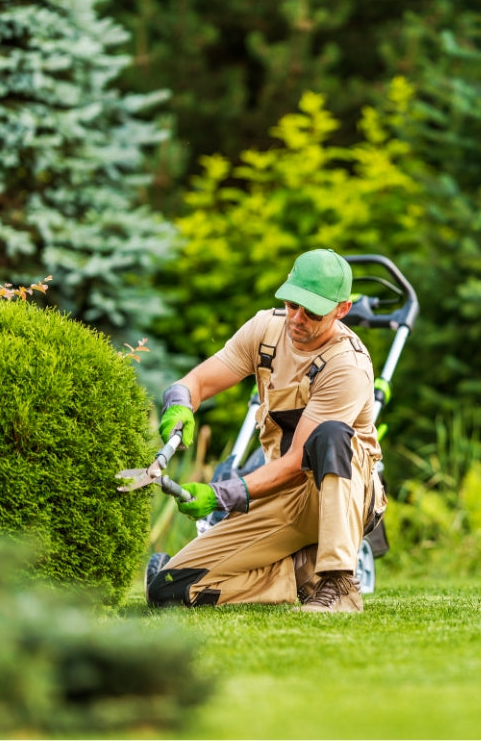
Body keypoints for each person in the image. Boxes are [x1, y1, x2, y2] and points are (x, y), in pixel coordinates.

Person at [146, 248, 386, 613]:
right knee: (167, 589)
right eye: (292, 304)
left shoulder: (347, 365)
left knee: (331, 435)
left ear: (342, 309)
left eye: (313, 311)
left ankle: (340, 583)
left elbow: (294, 463)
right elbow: (198, 381)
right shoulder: (265, 329)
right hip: (279, 496)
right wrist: (179, 402)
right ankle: (297, 572)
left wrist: (220, 494)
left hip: (338, 494)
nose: (298, 318)